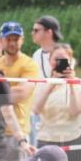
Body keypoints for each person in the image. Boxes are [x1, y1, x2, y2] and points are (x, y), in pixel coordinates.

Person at [32, 43, 81, 161]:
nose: (59, 63)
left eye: (63, 59)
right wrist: (52, 83)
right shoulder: (41, 83)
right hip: (47, 141)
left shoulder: (79, 84)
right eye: (55, 59)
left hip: (73, 139)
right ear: (49, 62)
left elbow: (75, 111)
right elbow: (35, 109)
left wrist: (70, 83)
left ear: (70, 61)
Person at [0, 21, 42, 161]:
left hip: (18, 131)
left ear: (22, 40)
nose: (12, 43)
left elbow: (21, 93)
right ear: (1, 41)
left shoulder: (29, 64)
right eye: (8, 39)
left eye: (16, 39)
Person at [30, 15, 62, 146]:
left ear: (49, 32)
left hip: (56, 111)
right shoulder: (36, 54)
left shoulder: (62, 54)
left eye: (36, 30)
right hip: (38, 109)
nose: (33, 33)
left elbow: (63, 83)